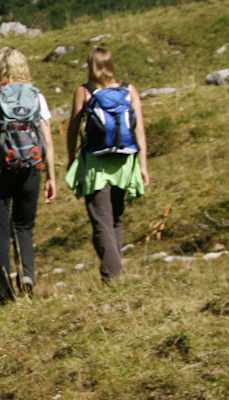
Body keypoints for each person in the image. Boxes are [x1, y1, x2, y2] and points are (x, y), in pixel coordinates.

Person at [0, 48, 58, 304]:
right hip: (31, 166)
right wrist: (51, 176)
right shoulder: (37, 96)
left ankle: (5, 291)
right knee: (24, 225)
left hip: (0, 167)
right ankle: (27, 275)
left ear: (0, 69)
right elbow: (47, 140)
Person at [65, 47, 148, 283]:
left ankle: (112, 277)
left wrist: (71, 158)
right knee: (116, 219)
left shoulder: (84, 91)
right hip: (124, 162)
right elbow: (139, 130)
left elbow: (73, 128)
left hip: (96, 164)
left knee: (101, 221)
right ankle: (115, 272)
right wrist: (143, 165)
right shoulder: (129, 90)